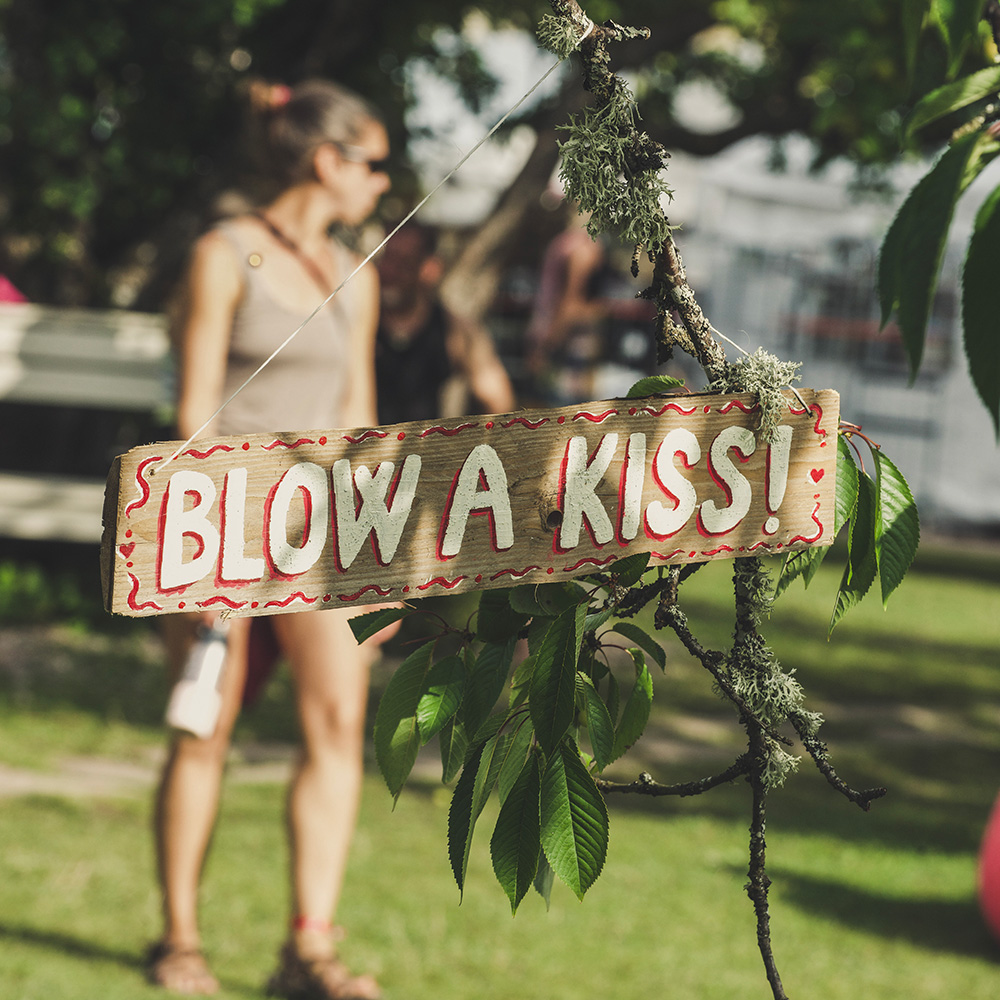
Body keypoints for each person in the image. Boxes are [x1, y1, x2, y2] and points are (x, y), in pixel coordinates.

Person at [149, 79, 392, 999]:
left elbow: (359, 423)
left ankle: (309, 949)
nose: (383, 182)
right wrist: (205, 556)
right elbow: (194, 416)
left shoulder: (357, 272)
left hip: (323, 536)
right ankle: (179, 941)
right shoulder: (223, 254)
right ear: (328, 161)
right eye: (374, 163)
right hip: (220, 523)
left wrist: (372, 564)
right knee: (202, 730)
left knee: (337, 727)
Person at [374, 222, 515, 424]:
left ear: (430, 269)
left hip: (423, 443)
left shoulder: (454, 330)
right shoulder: (358, 321)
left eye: (404, 263)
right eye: (386, 259)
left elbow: (498, 401)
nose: (389, 272)